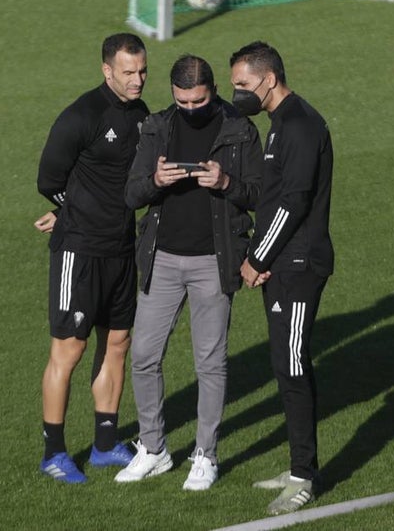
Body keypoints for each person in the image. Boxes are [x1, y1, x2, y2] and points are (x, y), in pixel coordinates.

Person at [118, 55, 263, 490]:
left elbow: (260, 194)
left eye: (198, 101)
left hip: (213, 262)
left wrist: (225, 184)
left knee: (211, 362)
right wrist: (156, 182)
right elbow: (131, 194)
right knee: (143, 356)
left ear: (214, 91)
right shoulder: (158, 126)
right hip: (161, 260)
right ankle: (154, 448)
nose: (191, 109)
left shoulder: (240, 130)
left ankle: (205, 454)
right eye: (182, 102)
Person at [33, 33, 150, 484]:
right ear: (107, 71)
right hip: (79, 251)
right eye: (128, 72)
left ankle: (104, 445)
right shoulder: (80, 116)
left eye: (142, 71)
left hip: (122, 250)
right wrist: (73, 212)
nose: (137, 80)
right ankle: (54, 453)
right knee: (70, 348)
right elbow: (50, 179)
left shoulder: (140, 115)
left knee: (117, 343)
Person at [229, 40, 335, 516]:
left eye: (243, 86)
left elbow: (293, 201)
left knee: (292, 366)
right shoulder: (279, 124)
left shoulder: (300, 125)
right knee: (282, 363)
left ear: (268, 80)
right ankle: (298, 467)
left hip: (297, 266)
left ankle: (305, 478)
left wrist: (258, 257)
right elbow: (271, 199)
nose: (239, 95)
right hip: (281, 263)